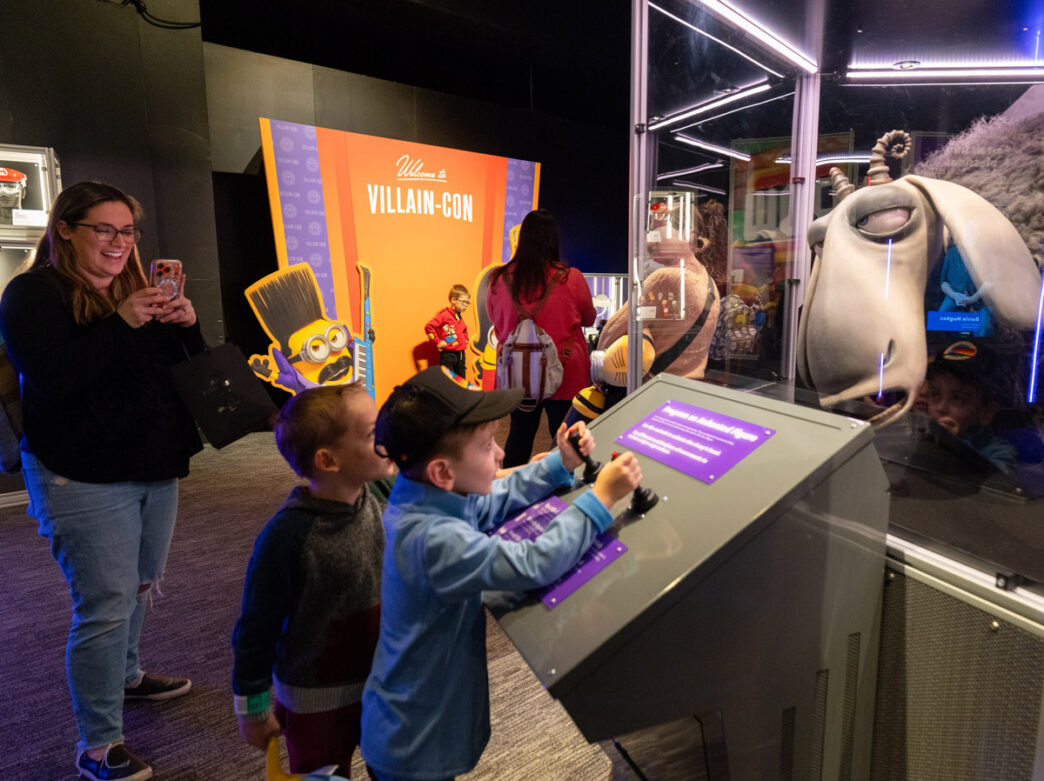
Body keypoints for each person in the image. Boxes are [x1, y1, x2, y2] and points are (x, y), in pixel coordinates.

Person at [0, 181, 202, 781]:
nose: (120, 243)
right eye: (105, 230)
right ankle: (97, 746)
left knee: (139, 584)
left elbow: (180, 371)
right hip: (79, 474)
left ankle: (128, 677)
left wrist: (185, 325)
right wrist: (121, 322)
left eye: (128, 231)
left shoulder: (134, 290)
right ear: (65, 228)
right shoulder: (30, 294)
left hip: (152, 465)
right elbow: (56, 378)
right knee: (105, 605)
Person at [360, 365, 642, 781]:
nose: (499, 455)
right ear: (442, 471)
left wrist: (557, 463)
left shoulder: (426, 497)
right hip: (415, 743)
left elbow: (492, 499)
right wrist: (601, 499)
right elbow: (535, 563)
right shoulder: (431, 538)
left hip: (413, 723)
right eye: (487, 445)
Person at [231, 383, 394, 776]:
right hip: (317, 702)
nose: (388, 439)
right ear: (328, 460)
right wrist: (252, 709)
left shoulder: (375, 492)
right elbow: (256, 629)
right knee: (323, 773)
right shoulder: (287, 537)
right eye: (374, 434)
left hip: (381, 685)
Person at [486, 209, 596, 466]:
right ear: (553, 240)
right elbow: (589, 318)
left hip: (519, 373)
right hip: (566, 372)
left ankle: (514, 493)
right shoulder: (572, 278)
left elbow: (496, 321)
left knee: (519, 435)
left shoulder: (499, 279)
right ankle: (563, 493)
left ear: (522, 239)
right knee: (567, 439)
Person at [925, 340, 1016, 474]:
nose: (940, 407)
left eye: (957, 398)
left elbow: (987, 489)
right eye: (935, 394)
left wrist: (954, 445)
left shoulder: (1000, 453)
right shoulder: (924, 440)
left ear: (987, 412)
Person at [424, 284, 471, 377]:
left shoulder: (459, 318)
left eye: (467, 303)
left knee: (461, 381)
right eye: (463, 302)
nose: (465, 306)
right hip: (449, 354)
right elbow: (428, 327)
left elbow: (465, 330)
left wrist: (466, 339)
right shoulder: (444, 315)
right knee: (448, 379)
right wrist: (437, 342)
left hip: (461, 354)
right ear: (453, 300)